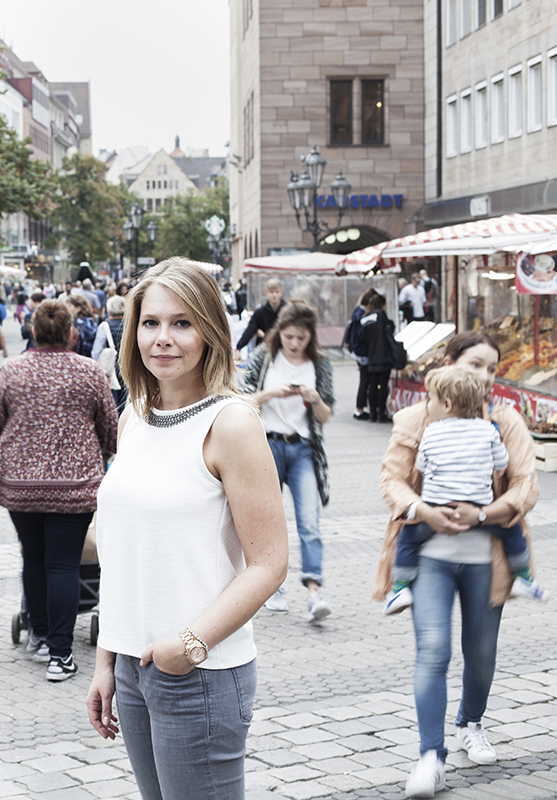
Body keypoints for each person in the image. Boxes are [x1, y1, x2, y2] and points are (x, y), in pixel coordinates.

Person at [87, 258, 288, 800]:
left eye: (182, 323)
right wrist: (108, 655)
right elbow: (123, 551)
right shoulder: (135, 414)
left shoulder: (232, 423)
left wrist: (189, 645)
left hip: (198, 670)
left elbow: (270, 563)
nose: (163, 339)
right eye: (150, 323)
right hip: (133, 664)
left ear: (210, 331)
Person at [374, 332, 540, 798]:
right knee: (434, 650)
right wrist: (423, 511)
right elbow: (392, 479)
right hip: (430, 557)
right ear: (448, 365)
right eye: (475, 365)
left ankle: (471, 721)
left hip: (487, 559)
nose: (485, 377)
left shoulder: (505, 421)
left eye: (492, 368)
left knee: (481, 654)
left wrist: (483, 514)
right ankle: (431, 756)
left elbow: (526, 485)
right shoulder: (416, 418)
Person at [0, 299, 117, 680]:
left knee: (33, 558)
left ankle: (39, 636)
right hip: (74, 488)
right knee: (63, 563)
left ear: (33, 331)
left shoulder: (12, 371)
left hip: (21, 486)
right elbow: (110, 430)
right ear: (72, 333)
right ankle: (61, 656)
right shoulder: (90, 372)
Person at [383, 365, 547, 617]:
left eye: (431, 399)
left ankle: (399, 588)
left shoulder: (430, 431)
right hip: (479, 511)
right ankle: (524, 577)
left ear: (446, 404)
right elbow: (501, 464)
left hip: (437, 510)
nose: (428, 405)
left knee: (407, 540)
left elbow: (421, 466)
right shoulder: (490, 431)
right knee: (511, 531)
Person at [241, 300, 337, 623]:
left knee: (309, 521)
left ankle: (314, 592)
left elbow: (326, 415)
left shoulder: (320, 365)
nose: (294, 344)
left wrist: (315, 399)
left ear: (311, 337)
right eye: (289, 336)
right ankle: (272, 587)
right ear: (279, 332)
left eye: (301, 338)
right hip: (266, 446)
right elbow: (241, 399)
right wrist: (271, 394)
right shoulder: (265, 358)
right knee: (269, 521)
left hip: (303, 450)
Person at [357, 293, 396, 423]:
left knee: (373, 385)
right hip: (383, 355)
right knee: (382, 385)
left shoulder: (365, 318)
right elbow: (388, 330)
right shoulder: (380, 314)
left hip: (371, 356)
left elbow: (363, 337)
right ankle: (381, 412)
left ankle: (372, 412)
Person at [344, 288, 378, 421]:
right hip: (362, 352)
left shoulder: (358, 312)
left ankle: (361, 407)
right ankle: (359, 408)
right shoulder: (361, 314)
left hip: (358, 351)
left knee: (364, 379)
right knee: (365, 380)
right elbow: (360, 335)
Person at [91, 295, 126, 409]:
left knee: (111, 400)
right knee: (124, 399)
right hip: (127, 365)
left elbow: (96, 351)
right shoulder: (130, 324)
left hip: (110, 367)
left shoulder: (104, 326)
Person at [234, 278, 283, 353]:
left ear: (281, 293)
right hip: (264, 351)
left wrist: (264, 335)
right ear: (267, 293)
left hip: (282, 350)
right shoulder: (260, 312)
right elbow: (249, 331)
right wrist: (238, 348)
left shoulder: (287, 311)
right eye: (272, 292)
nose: (274, 295)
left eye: (277, 292)